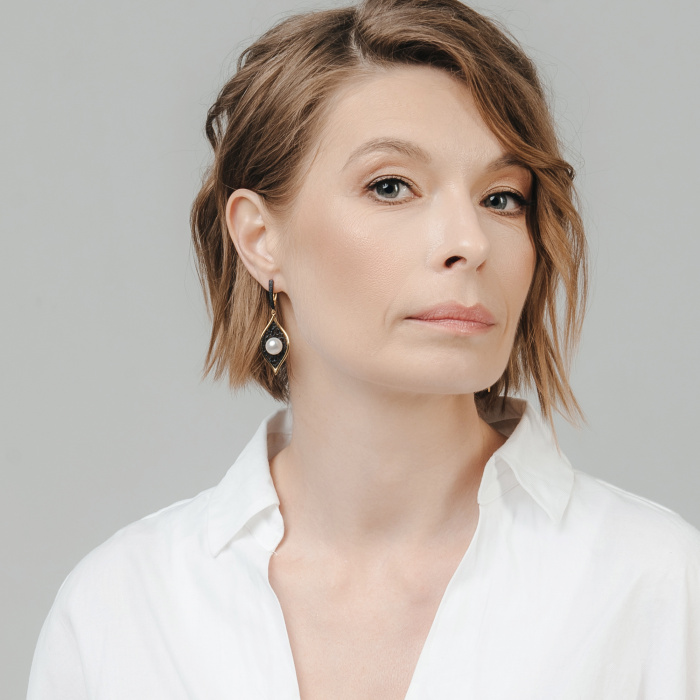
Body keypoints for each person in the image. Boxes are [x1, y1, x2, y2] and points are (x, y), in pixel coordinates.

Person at [27, 0, 700, 697]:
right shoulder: (123, 612)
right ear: (260, 238)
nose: (469, 241)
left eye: (502, 198)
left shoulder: (655, 588)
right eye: (391, 186)